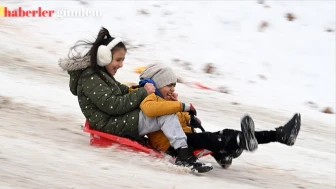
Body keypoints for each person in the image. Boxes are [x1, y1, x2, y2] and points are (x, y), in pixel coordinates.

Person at [58, 27, 213, 173]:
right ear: (104, 57)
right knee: (165, 113)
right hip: (109, 123)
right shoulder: (91, 78)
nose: (121, 65)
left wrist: (138, 90)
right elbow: (112, 105)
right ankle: (183, 155)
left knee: (159, 108)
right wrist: (141, 93)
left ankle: (180, 146)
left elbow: (120, 90)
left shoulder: (99, 75)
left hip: (112, 119)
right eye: (118, 60)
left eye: (122, 60)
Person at [138, 63, 301, 169]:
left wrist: (189, 118)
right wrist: (179, 106)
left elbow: (178, 120)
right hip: (171, 145)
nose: (173, 89)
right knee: (217, 138)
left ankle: (276, 135)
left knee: (221, 135)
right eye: (169, 85)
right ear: (156, 84)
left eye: (174, 86)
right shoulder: (153, 101)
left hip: (184, 138)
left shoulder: (167, 101)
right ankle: (236, 145)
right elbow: (159, 114)